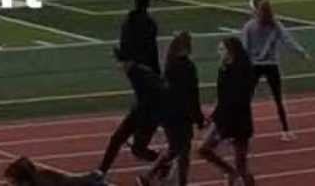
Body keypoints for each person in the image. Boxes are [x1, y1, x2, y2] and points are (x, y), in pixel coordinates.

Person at [137, 32, 204, 186]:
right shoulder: (187, 66)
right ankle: (156, 176)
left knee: (176, 148)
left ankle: (150, 176)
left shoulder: (170, 64)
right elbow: (193, 93)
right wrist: (198, 117)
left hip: (169, 114)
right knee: (182, 150)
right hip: (181, 114)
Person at [242, 0, 311, 141]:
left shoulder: (249, 26)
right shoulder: (276, 25)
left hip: (254, 66)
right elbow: (288, 41)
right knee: (278, 99)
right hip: (271, 65)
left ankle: (243, 131)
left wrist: (242, 65)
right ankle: (286, 131)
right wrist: (302, 53)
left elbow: (245, 48)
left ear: (256, 11)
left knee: (246, 99)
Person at [95, 47, 162, 179]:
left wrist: (141, 126)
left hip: (149, 115)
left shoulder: (140, 74)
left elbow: (156, 95)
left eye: (118, 62)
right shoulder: (134, 71)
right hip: (139, 111)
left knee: (138, 150)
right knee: (116, 139)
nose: (117, 66)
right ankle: (101, 172)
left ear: (126, 62)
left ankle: (163, 161)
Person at [198, 37, 256, 186]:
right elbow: (222, 95)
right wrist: (213, 115)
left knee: (241, 164)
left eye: (222, 49)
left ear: (231, 51)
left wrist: (220, 123)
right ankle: (231, 172)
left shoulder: (242, 69)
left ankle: (237, 176)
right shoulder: (224, 67)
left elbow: (237, 98)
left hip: (238, 120)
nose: (219, 52)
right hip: (223, 118)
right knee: (203, 149)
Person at [119, 0, 160, 74]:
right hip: (143, 64)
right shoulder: (148, 23)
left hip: (137, 64)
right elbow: (152, 48)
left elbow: (125, 41)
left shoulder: (131, 20)